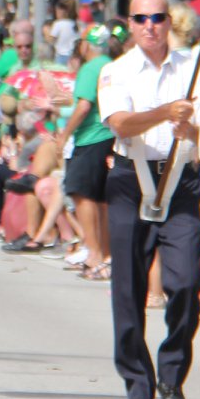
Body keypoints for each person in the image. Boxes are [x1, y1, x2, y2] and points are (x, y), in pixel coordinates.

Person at [97, 0, 200, 399]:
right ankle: (137, 384)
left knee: (187, 283)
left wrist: (192, 128)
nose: (149, 26)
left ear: (168, 21)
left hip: (180, 181)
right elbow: (120, 122)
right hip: (130, 180)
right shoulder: (116, 71)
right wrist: (165, 113)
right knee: (129, 289)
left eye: (157, 17)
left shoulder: (194, 68)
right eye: (140, 18)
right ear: (131, 21)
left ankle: (172, 376)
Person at [61, 22, 122, 281]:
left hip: (90, 137)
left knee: (82, 195)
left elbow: (84, 106)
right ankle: (105, 255)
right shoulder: (114, 65)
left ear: (87, 44)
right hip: (110, 136)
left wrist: (63, 135)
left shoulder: (90, 67)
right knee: (101, 200)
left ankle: (95, 253)